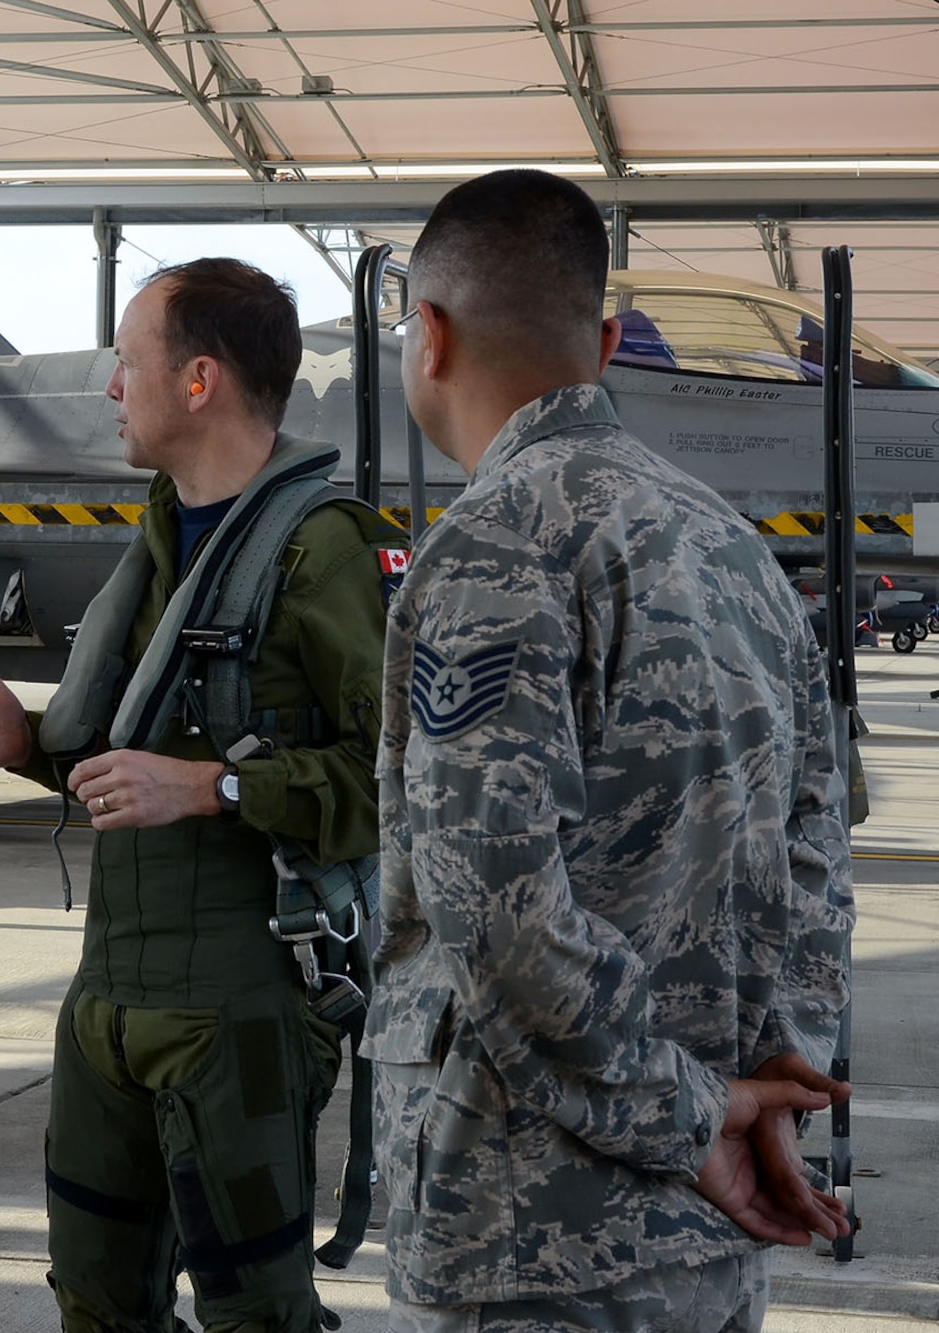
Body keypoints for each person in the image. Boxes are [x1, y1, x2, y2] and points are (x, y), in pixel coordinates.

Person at [366, 167, 856, 1332]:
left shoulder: (493, 545)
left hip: (531, 1242)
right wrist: (769, 1099)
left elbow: (495, 913)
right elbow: (816, 859)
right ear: (598, 339)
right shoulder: (733, 549)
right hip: (709, 1234)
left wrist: (692, 1120)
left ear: (424, 335)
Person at [0, 258, 401, 1332]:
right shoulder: (161, 543)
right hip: (107, 998)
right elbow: (133, 764)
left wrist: (217, 786)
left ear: (196, 381)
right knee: (95, 1303)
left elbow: (398, 780)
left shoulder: (321, 552)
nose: (111, 388)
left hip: (237, 1002)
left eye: (124, 361)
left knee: (255, 1311)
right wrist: (27, 743)